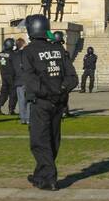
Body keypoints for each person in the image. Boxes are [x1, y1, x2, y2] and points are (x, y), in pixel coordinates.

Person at [16, 13, 78, 190]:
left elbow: (30, 79)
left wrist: (48, 92)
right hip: (59, 102)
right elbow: (72, 77)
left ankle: (50, 178)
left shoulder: (28, 52)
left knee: (39, 141)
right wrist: (61, 89)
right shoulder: (59, 50)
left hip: (42, 102)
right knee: (53, 139)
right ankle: (40, 175)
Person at [0, 39, 18, 114]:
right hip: (12, 76)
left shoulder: (1, 53)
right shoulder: (13, 54)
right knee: (13, 93)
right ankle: (11, 109)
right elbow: (16, 65)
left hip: (3, 75)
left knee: (4, 92)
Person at [14, 38, 30, 124]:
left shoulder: (14, 55)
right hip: (27, 79)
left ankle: (23, 118)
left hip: (18, 80)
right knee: (28, 100)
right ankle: (28, 118)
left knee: (21, 100)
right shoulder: (26, 53)